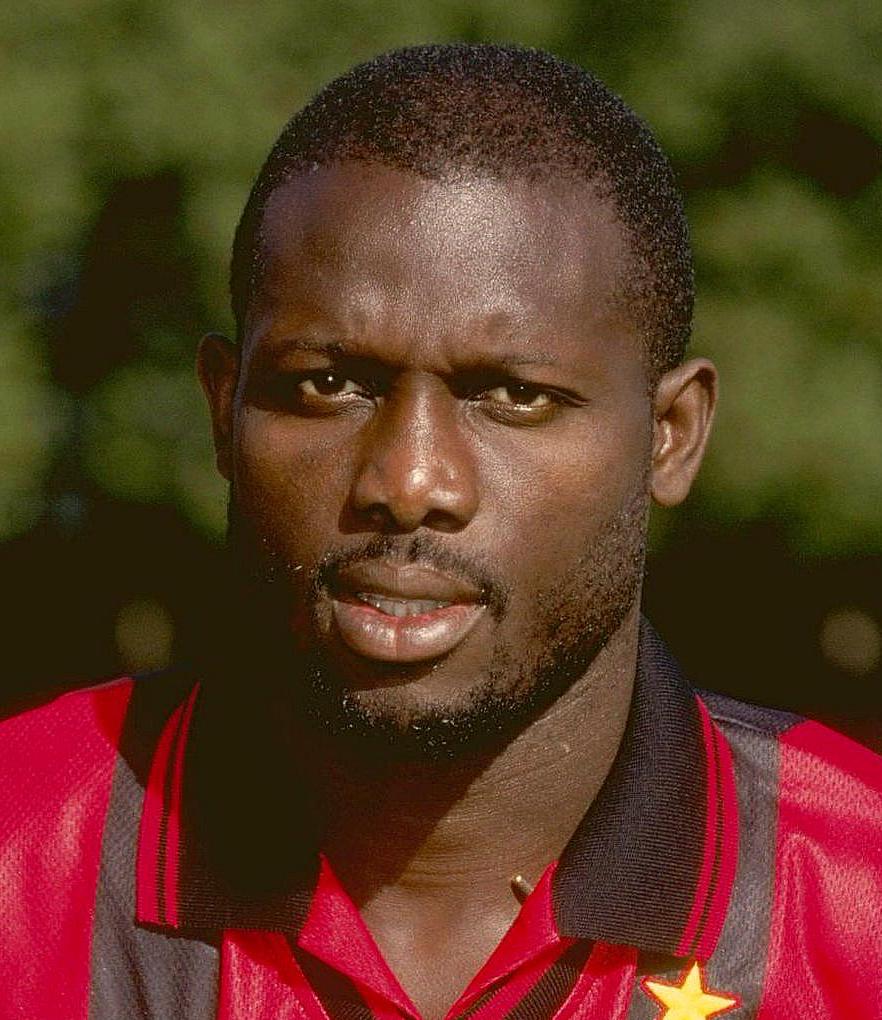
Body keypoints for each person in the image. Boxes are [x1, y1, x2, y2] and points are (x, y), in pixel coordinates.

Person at [2, 43, 881, 1020]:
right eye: (328, 384)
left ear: (670, 439)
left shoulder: (856, 905)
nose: (409, 482)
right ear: (224, 410)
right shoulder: (21, 861)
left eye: (511, 395)